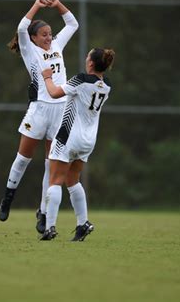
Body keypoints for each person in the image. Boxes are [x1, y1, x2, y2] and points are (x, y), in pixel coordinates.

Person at [0, 0, 79, 233]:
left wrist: (59, 5)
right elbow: (22, 27)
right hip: (40, 110)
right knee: (23, 158)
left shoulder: (56, 45)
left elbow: (73, 24)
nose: (48, 37)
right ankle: (8, 197)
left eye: (49, 33)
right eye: (43, 34)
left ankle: (43, 213)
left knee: (50, 163)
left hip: (61, 110)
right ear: (34, 38)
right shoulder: (29, 49)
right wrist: (37, 5)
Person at [39, 47, 115, 241]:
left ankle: (50, 228)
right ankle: (83, 224)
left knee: (55, 180)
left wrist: (47, 77)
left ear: (90, 63)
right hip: (88, 140)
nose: (85, 59)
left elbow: (55, 93)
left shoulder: (80, 79)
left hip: (69, 135)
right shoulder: (106, 85)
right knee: (73, 180)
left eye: (87, 56)